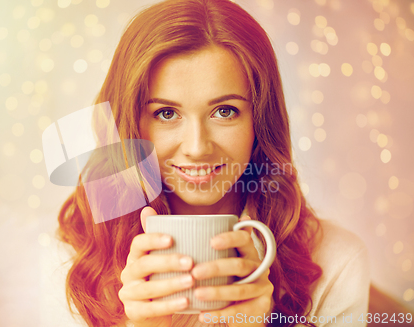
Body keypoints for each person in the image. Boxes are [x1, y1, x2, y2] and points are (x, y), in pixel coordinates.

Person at [57, 0, 370, 326]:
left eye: (224, 111)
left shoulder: (338, 260)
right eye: (166, 113)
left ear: (259, 122)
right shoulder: (74, 259)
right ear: (129, 126)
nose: (197, 148)